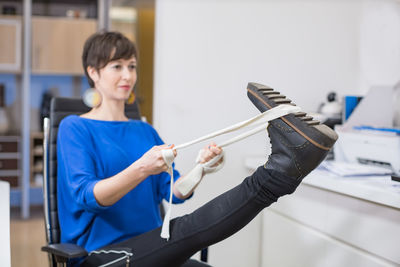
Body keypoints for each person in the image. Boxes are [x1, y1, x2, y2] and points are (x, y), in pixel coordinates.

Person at [57, 31, 338, 267]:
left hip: (152, 248)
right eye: (116, 66)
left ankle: (282, 169)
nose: (127, 74)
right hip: (101, 256)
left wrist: (201, 168)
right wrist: (141, 168)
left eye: (131, 66)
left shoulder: (143, 130)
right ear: (93, 72)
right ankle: (279, 172)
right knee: (187, 229)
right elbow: (88, 197)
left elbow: (175, 193)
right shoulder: (75, 128)